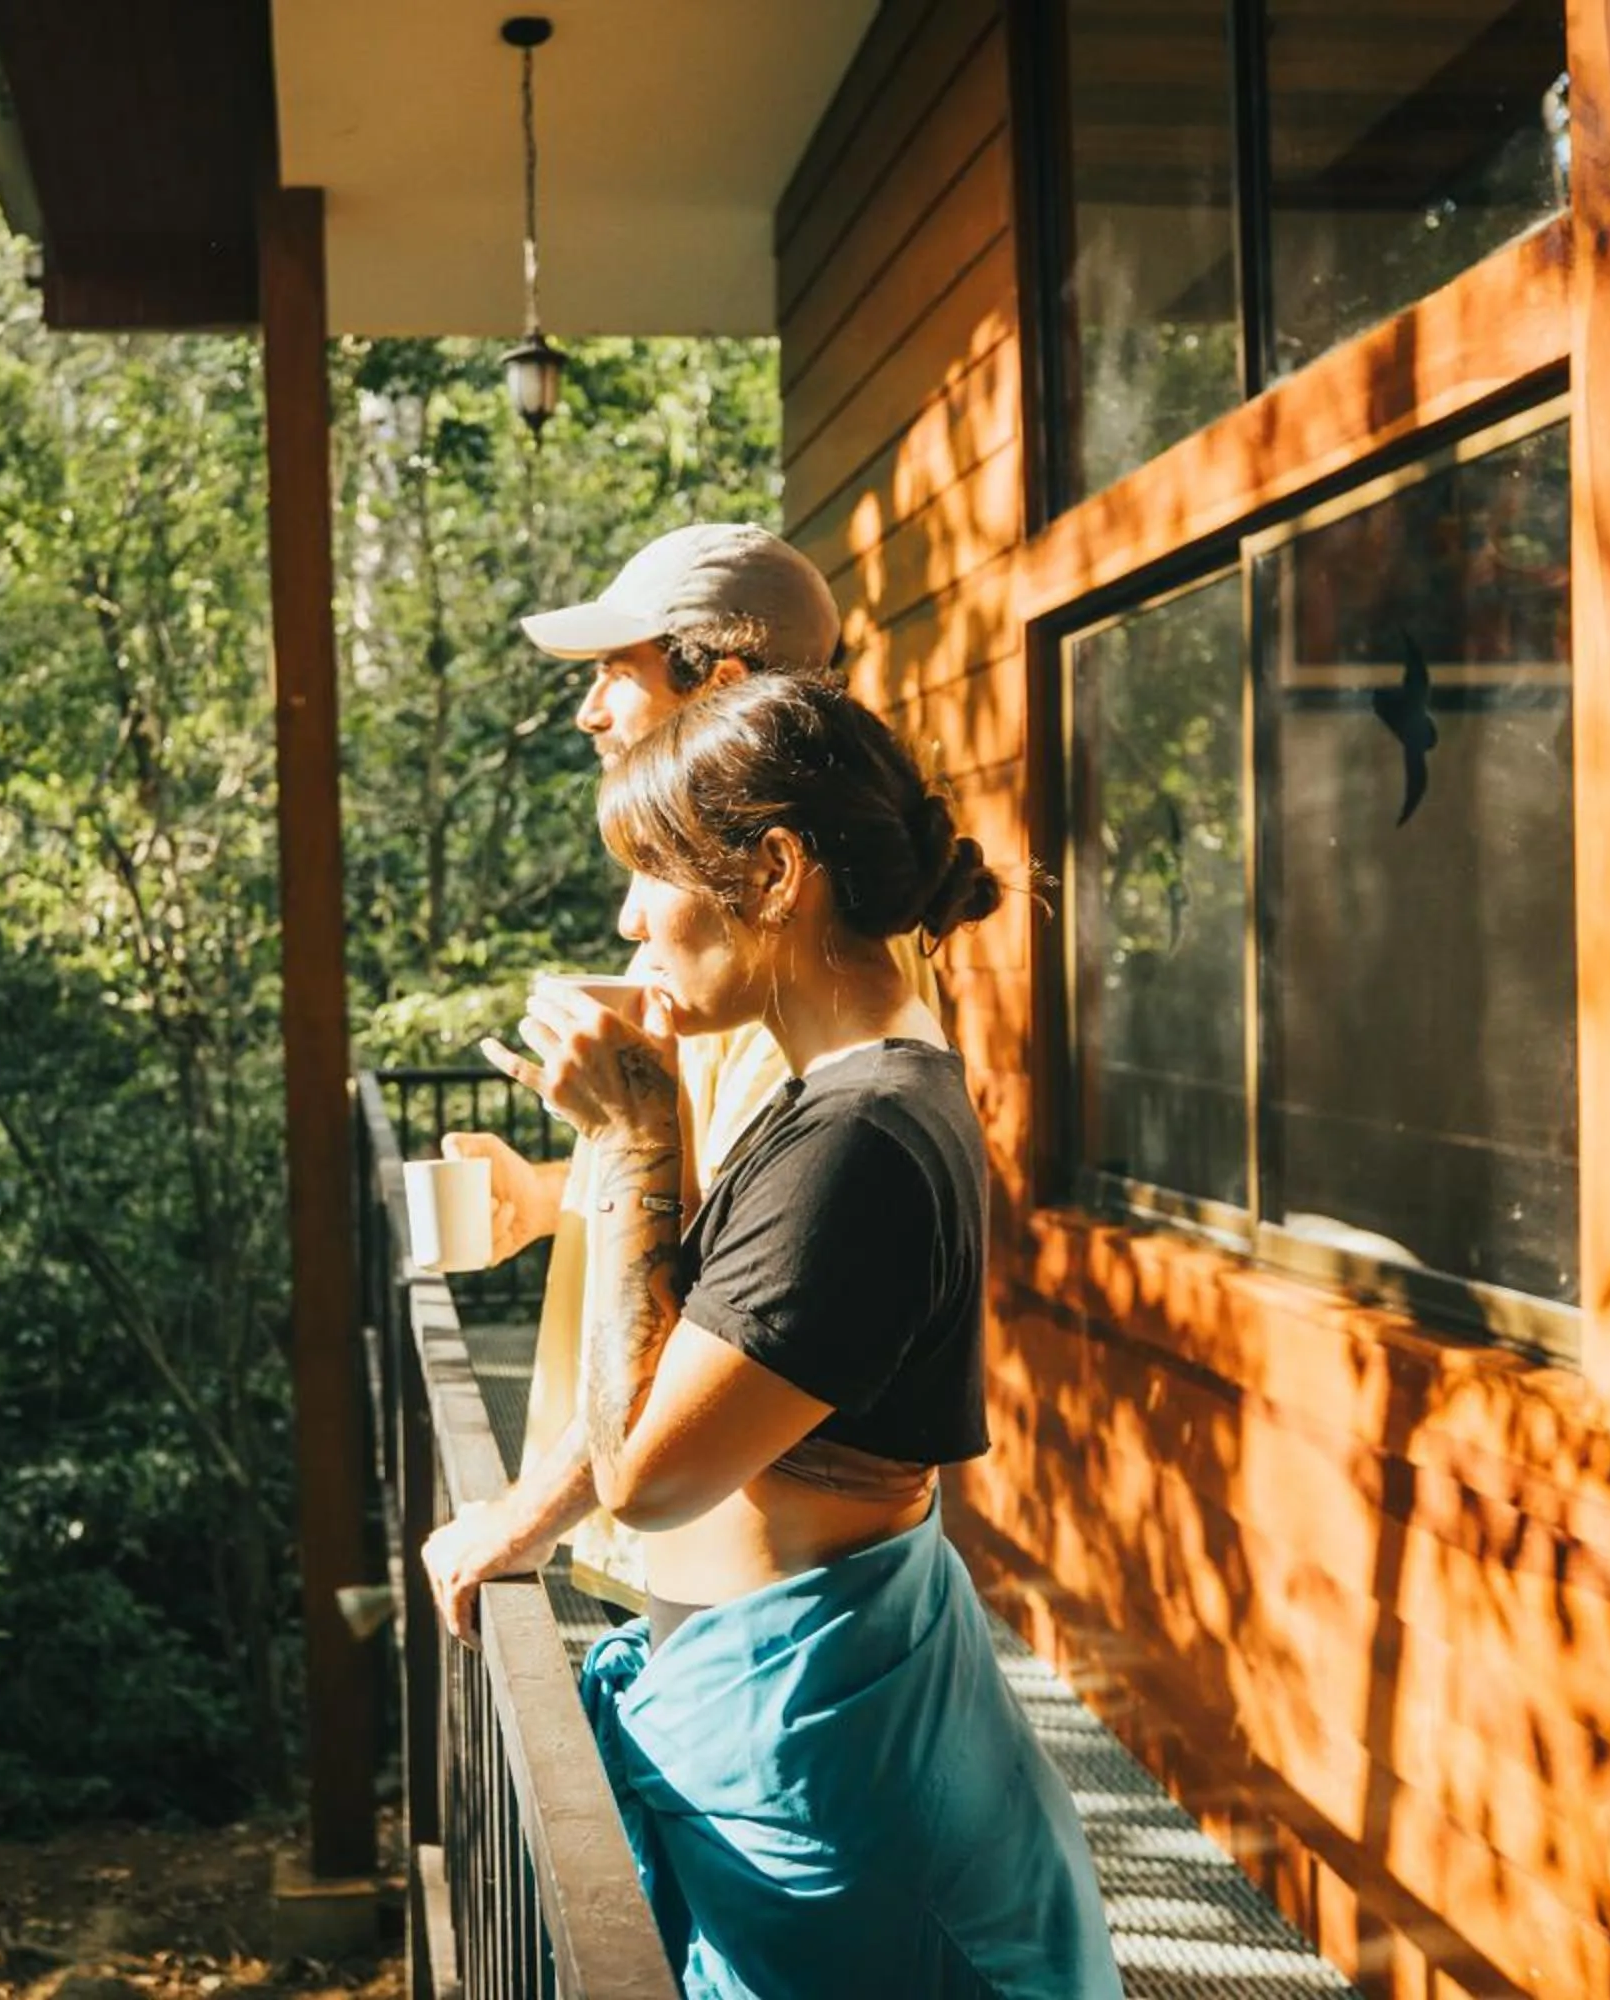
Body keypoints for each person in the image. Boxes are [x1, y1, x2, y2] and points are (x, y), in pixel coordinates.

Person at [485, 674, 1118, 2000]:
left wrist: (633, 1138)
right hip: (810, 1730)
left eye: (651, 872)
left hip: (838, 1779)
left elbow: (646, 1474)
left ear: (775, 872)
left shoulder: (859, 1138)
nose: (629, 920)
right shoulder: (841, 1097)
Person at [425, 521, 935, 1622]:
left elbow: (740, 1297)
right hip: (687, 1556)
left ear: (725, 685)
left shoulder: (787, 984)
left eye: (617, 669)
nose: (588, 710)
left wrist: (520, 1521)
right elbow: (730, 1217)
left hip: (729, 1574)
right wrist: (551, 1198)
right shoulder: (757, 953)